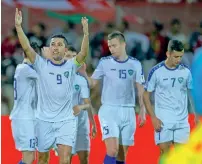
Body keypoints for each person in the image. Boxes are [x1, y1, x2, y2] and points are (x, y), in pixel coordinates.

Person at [15, 8, 89, 164]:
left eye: (60, 44)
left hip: (66, 121)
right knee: (43, 159)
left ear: (65, 49)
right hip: (44, 120)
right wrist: (19, 27)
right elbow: (27, 48)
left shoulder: (71, 65)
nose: (55, 47)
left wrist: (86, 33)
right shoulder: (41, 65)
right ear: (49, 48)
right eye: (53, 44)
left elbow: (83, 53)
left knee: (65, 159)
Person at [81, 31, 146, 164]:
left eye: (114, 46)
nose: (111, 49)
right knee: (113, 150)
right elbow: (93, 82)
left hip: (128, 111)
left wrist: (143, 110)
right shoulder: (104, 63)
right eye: (110, 46)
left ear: (123, 45)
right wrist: (83, 74)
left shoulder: (135, 64)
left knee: (121, 155)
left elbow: (140, 87)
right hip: (109, 110)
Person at [143, 40, 199, 158]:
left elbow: (190, 94)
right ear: (168, 54)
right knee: (165, 155)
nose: (179, 60)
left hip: (182, 122)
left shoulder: (186, 71)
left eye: (180, 56)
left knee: (181, 157)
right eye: (176, 57)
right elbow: (145, 95)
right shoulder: (156, 71)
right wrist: (153, 118)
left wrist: (195, 115)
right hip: (163, 121)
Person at [9, 43, 39, 164]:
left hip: (28, 117)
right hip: (23, 118)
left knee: (30, 157)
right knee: (28, 157)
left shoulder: (26, 69)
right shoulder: (24, 69)